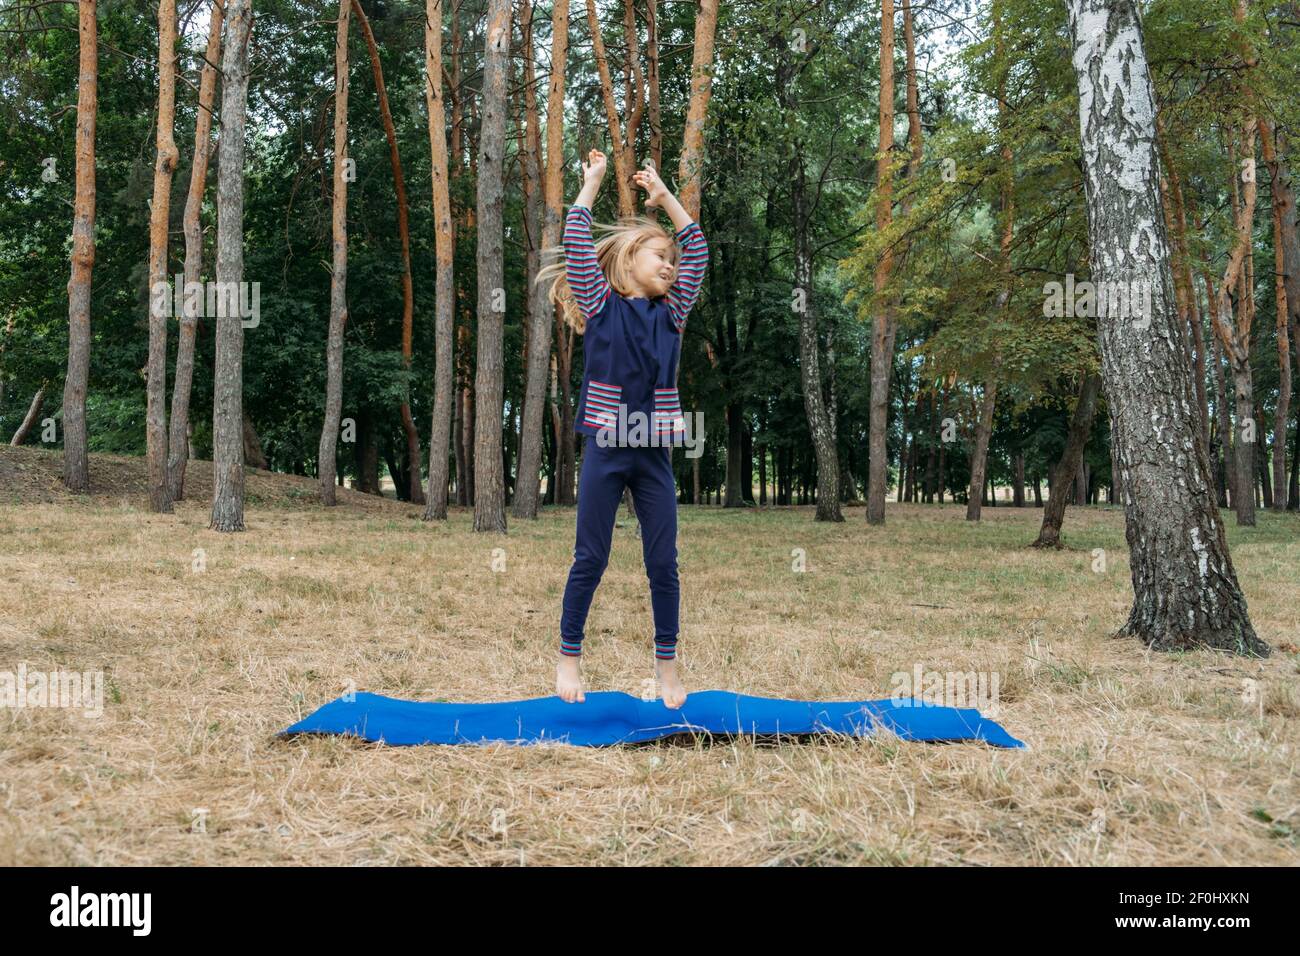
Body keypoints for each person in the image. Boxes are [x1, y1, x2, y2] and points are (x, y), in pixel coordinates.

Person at [534, 148, 708, 708]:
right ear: (631, 260)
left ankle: (667, 668)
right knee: (592, 556)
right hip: (607, 451)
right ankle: (568, 658)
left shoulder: (672, 315)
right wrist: (591, 182)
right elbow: (578, 242)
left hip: (652, 454)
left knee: (663, 561)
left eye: (671, 263)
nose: (671, 266)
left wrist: (666, 200)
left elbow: (698, 249)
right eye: (660, 256)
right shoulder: (602, 305)